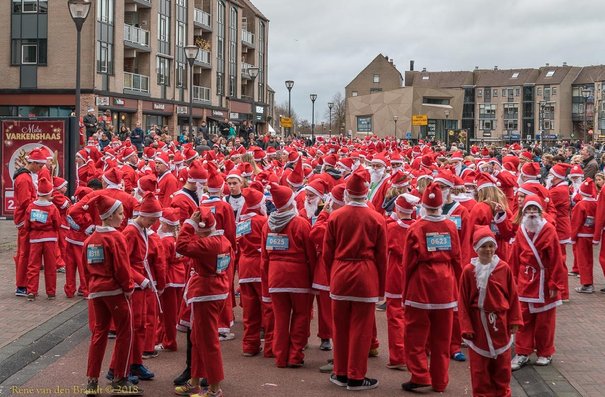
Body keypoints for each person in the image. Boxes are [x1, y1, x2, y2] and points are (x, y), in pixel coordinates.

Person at [323, 170, 387, 391]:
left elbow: (327, 253)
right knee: (361, 328)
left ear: (347, 193)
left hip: (340, 272)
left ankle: (340, 372)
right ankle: (356, 376)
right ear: (366, 193)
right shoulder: (377, 218)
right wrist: (381, 286)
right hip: (366, 275)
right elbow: (381, 256)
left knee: (339, 327)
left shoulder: (335, 216)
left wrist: (332, 273)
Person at [401, 182, 462, 393]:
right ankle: (440, 381)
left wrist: (404, 290)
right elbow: (457, 259)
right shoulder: (451, 226)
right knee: (442, 338)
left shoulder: (416, 227)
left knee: (415, 335)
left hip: (421, 284)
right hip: (445, 285)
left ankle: (419, 375)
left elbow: (408, 262)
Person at [82, 195, 140, 396]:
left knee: (99, 333)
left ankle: (92, 379)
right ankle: (120, 378)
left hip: (96, 291)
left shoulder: (90, 240)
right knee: (126, 332)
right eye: (121, 213)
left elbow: (85, 268)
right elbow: (122, 269)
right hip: (115, 291)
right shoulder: (116, 238)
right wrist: (129, 288)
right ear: (111, 215)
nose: (124, 217)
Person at [458, 226, 523, 397]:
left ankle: (502, 393)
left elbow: (513, 296)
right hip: (478, 324)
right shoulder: (468, 271)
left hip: (500, 323)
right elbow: (463, 301)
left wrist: (515, 320)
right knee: (480, 370)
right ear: (476, 249)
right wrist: (466, 327)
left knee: (502, 367)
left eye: (491, 246)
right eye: (483, 246)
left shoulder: (504, 268)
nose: (488, 250)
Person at [175, 208, 233, 397]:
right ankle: (195, 382)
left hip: (206, 293)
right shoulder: (222, 241)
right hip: (213, 291)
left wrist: (188, 225)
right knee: (197, 339)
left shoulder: (208, 244)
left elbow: (181, 246)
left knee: (207, 341)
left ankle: (215, 388)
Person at [261, 182, 316, 368]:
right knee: (301, 316)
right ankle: (295, 356)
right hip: (299, 276)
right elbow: (311, 254)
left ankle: (280, 357)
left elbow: (264, 257)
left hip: (275, 276)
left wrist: (266, 281)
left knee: (280, 318)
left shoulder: (266, 225)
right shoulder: (301, 223)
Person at [509, 195, 566, 370]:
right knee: (523, 318)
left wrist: (555, 284)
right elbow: (514, 258)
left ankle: (545, 352)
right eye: (529, 209)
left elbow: (557, 258)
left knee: (545, 321)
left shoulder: (548, 230)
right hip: (525, 280)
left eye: (535, 210)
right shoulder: (521, 230)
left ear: (541, 212)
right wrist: (511, 280)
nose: (532, 213)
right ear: (523, 212)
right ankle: (522, 352)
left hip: (544, 280)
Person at [385, 193, 418, 371]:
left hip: (395, 274)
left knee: (395, 316)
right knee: (412, 316)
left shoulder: (391, 227)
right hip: (413, 274)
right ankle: (414, 354)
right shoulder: (419, 226)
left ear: (397, 209)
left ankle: (398, 356)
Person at [237, 188, 268, 356]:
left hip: (244, 267)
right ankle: (270, 346)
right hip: (259, 266)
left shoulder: (242, 222)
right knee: (267, 308)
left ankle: (249, 346)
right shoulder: (263, 221)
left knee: (249, 311)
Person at [13, 148, 46, 297]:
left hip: (24, 219)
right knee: (25, 253)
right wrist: (40, 202)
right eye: (39, 166)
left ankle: (23, 284)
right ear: (32, 163)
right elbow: (26, 202)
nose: (40, 169)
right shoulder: (24, 179)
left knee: (25, 253)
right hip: (25, 220)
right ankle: (22, 285)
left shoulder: (25, 177)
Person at [24, 178, 62, 301]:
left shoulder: (31, 207)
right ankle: (51, 292)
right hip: (50, 239)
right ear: (50, 193)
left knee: (33, 266)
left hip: (35, 239)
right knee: (50, 266)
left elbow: (26, 225)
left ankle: (31, 291)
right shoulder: (53, 208)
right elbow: (58, 224)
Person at [570, 179, 598, 293]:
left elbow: (576, 222)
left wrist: (572, 237)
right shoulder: (596, 203)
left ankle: (587, 284)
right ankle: (589, 282)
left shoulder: (580, 205)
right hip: (591, 234)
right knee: (589, 260)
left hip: (581, 235)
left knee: (583, 260)